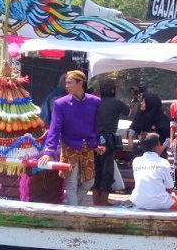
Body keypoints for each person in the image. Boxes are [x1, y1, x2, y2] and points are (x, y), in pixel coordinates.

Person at [39, 70, 101, 206]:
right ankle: (74, 212)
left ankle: (74, 208)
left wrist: (98, 143)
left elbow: (98, 125)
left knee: (89, 182)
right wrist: (49, 151)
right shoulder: (60, 103)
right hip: (69, 146)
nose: (66, 86)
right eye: (66, 83)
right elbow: (54, 128)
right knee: (71, 183)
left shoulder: (95, 102)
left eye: (69, 83)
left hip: (88, 146)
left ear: (80, 83)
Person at [130, 133, 177, 211]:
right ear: (157, 146)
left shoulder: (136, 161)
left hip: (138, 201)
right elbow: (169, 188)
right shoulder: (163, 162)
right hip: (160, 202)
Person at [94, 80, 131, 206]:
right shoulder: (117, 103)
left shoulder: (95, 102)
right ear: (113, 91)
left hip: (93, 140)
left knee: (96, 170)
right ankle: (103, 202)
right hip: (108, 140)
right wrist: (136, 99)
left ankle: (96, 201)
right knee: (107, 171)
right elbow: (131, 113)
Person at [128, 91, 170, 157]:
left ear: (150, 104)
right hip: (143, 149)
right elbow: (134, 127)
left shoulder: (162, 118)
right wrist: (130, 139)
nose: (141, 103)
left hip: (158, 150)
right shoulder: (141, 115)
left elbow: (169, 137)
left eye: (144, 102)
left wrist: (161, 149)